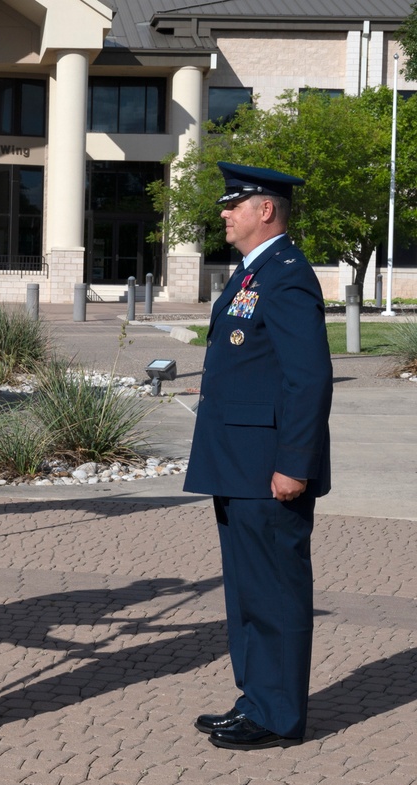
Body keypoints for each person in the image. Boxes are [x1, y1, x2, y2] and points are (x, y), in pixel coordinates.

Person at [184, 162, 333, 750]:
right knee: (247, 591)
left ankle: (278, 716)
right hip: (238, 461)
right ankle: (255, 700)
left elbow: (310, 378)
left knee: (274, 590)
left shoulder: (287, 275)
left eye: (233, 204)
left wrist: (295, 462)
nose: (223, 213)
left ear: (264, 210)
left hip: (270, 465)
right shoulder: (252, 274)